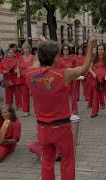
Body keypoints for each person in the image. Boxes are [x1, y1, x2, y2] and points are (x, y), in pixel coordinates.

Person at [25, 33, 95, 180]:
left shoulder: (30, 73)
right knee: (68, 159)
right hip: (61, 128)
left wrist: (43, 46)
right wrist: (90, 45)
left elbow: (38, 63)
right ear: (55, 57)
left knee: (47, 160)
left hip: (42, 127)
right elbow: (84, 68)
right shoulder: (63, 74)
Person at [16, 43, 34, 117]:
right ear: (23, 50)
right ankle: (26, 111)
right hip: (23, 79)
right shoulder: (20, 58)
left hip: (32, 78)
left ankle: (37, 110)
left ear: (29, 49)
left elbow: (36, 67)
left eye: (27, 48)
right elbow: (17, 67)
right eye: (24, 48)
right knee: (25, 95)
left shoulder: (33, 57)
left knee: (35, 95)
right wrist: (18, 73)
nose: (26, 49)